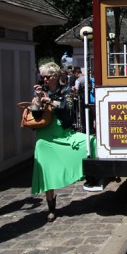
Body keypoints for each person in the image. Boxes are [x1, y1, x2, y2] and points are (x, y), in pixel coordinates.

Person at [30, 62, 96, 222]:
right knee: (46, 171)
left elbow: (68, 108)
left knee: (91, 141)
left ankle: (92, 173)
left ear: (56, 77)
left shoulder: (66, 91)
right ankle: (51, 207)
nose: (45, 79)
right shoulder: (41, 92)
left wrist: (50, 102)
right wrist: (38, 101)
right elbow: (35, 115)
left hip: (62, 132)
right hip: (45, 136)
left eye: (48, 76)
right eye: (43, 77)